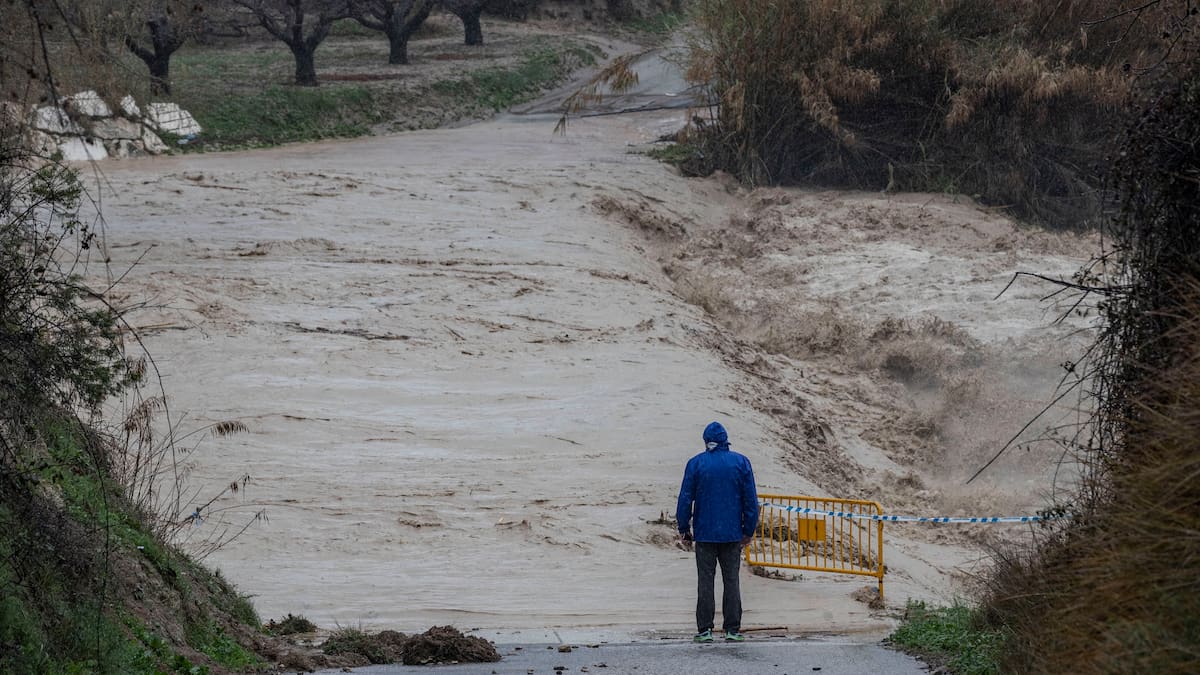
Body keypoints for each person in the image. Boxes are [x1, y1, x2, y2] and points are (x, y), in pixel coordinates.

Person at [675, 421, 759, 643]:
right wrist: (749, 529)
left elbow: (685, 498)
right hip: (732, 533)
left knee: (706, 581)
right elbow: (751, 500)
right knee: (731, 581)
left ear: (706, 441)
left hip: (704, 533)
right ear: (726, 440)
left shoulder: (695, 464)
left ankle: (705, 629)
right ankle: (732, 628)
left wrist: (684, 528)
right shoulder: (741, 462)